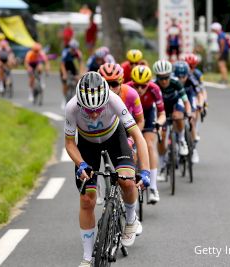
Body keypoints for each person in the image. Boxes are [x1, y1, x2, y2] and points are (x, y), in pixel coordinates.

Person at [64, 72, 150, 267]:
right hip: (87, 144)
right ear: (80, 103)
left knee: (127, 181)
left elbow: (138, 137)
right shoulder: (71, 107)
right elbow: (69, 144)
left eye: (98, 109)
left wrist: (144, 171)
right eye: (89, 110)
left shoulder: (114, 100)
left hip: (115, 139)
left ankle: (130, 218)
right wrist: (81, 164)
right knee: (87, 199)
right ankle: (87, 257)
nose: (94, 114)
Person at [98, 63, 144, 205]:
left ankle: (131, 201)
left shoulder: (131, 94)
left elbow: (140, 121)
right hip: (103, 129)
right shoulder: (94, 97)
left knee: (132, 158)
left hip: (125, 128)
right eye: (106, 84)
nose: (110, 89)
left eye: (114, 84)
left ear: (121, 82)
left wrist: (131, 140)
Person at [126, 65, 166, 203]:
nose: (139, 89)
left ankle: (153, 187)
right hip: (132, 117)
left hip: (148, 116)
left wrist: (159, 123)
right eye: (136, 85)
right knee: (132, 151)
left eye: (143, 86)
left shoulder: (155, 89)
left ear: (149, 83)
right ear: (132, 82)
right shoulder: (127, 88)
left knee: (149, 145)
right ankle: (131, 188)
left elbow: (162, 114)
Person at [152, 60, 191, 179]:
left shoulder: (176, 83)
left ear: (170, 75)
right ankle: (163, 165)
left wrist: (188, 112)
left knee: (178, 116)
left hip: (175, 105)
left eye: (166, 77)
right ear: (156, 77)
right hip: (161, 109)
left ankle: (181, 140)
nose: (164, 81)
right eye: (161, 78)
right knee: (162, 137)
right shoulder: (153, 85)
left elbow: (185, 101)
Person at [173, 60, 201, 164]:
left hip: (189, 95)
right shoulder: (172, 80)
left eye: (183, 77)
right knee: (177, 115)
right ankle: (176, 139)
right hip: (178, 97)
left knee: (192, 117)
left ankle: (193, 149)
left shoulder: (192, 79)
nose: (181, 79)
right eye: (178, 77)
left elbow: (200, 93)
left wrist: (200, 104)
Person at [60, 39, 84, 107]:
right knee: (65, 83)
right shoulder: (65, 52)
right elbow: (62, 64)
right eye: (72, 49)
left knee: (78, 79)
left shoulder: (78, 53)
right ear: (70, 47)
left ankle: (77, 97)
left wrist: (80, 74)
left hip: (72, 66)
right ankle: (64, 99)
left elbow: (81, 63)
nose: (73, 51)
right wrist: (64, 74)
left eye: (75, 49)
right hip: (65, 66)